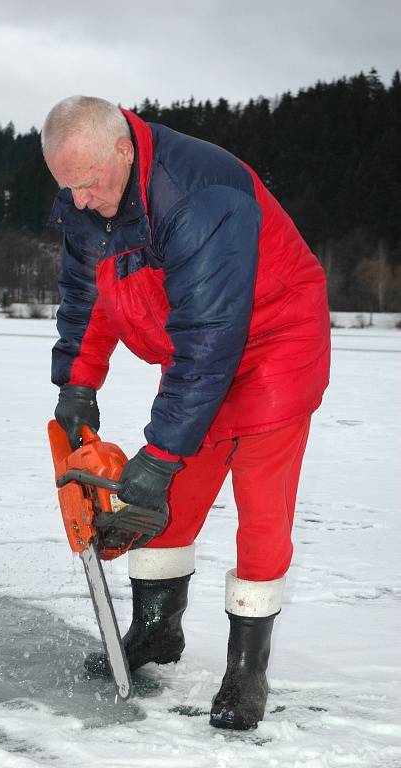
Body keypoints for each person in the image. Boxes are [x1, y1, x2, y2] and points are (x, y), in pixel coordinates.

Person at [41, 96, 330, 730]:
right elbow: (87, 292)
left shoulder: (199, 195)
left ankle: (246, 671)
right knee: (169, 498)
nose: (80, 201)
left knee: (259, 508)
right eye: (68, 189)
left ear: (123, 149)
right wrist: (78, 382)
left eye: (87, 185)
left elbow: (211, 334)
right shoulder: (92, 199)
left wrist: (163, 452)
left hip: (271, 347)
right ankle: (156, 632)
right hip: (202, 352)